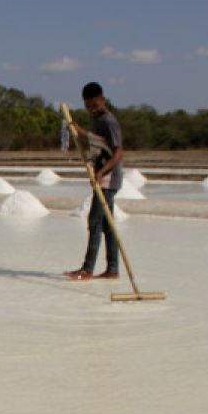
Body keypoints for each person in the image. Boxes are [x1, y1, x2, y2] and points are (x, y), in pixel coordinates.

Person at [66, 82, 123, 280]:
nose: (92, 109)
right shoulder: (96, 120)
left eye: (95, 105)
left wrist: (102, 172)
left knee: (95, 221)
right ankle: (113, 270)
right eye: (88, 106)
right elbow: (95, 141)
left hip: (109, 178)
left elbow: (117, 153)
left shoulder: (108, 121)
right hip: (102, 175)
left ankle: (87, 269)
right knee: (107, 225)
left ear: (103, 100)